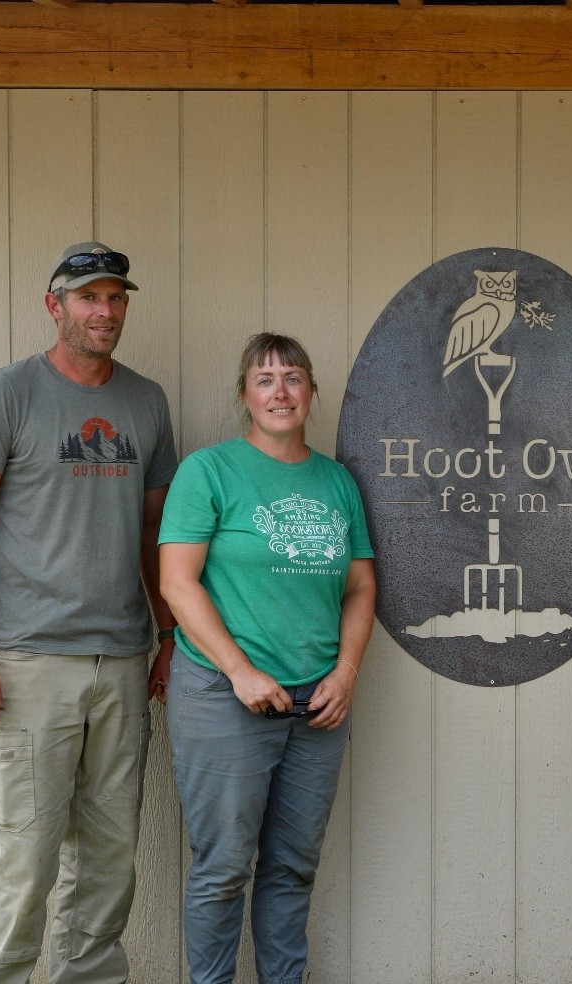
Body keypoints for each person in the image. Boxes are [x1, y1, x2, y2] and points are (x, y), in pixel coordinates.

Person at [0, 242, 179, 984]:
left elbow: (152, 533)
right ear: (55, 306)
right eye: (87, 298)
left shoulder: (146, 401)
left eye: (115, 298)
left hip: (121, 664)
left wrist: (168, 635)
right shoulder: (8, 393)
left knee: (108, 861)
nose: (104, 312)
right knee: (24, 857)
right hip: (27, 665)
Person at [159, 333, 376, 984]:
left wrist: (344, 672)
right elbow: (177, 581)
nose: (279, 392)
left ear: (311, 391)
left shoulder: (336, 482)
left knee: (291, 868)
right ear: (244, 397)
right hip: (223, 697)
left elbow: (361, 587)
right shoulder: (210, 472)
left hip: (316, 704)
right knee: (223, 870)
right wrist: (239, 670)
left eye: (292, 378)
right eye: (264, 379)